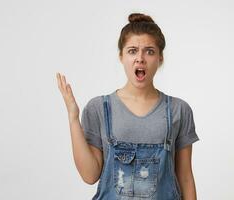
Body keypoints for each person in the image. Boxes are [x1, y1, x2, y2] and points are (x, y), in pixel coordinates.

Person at [57, 12, 199, 200]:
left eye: (149, 51)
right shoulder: (99, 108)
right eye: (132, 50)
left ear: (160, 58)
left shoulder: (178, 110)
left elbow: (186, 178)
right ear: (121, 56)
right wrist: (73, 118)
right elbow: (89, 175)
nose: (140, 58)